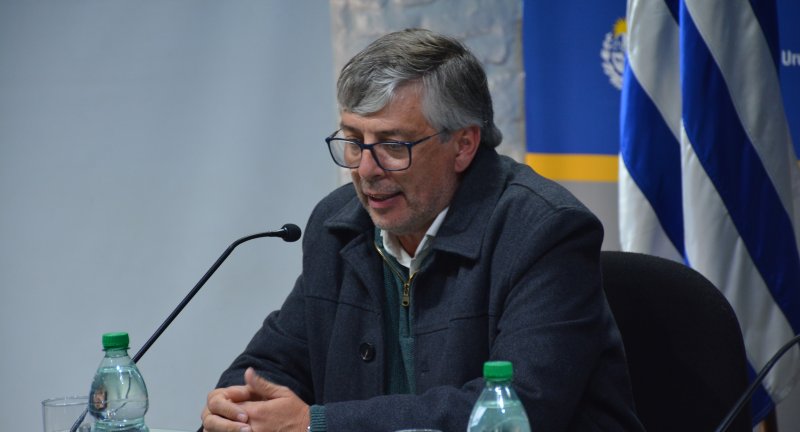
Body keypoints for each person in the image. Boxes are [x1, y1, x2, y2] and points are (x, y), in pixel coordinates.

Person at [201, 28, 643, 432]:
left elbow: (521, 409)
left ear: (463, 145)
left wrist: (317, 424)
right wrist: (238, 410)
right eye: (353, 141)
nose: (366, 171)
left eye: (393, 145)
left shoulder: (544, 232)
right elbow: (271, 362)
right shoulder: (340, 227)